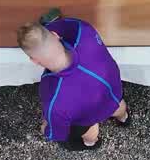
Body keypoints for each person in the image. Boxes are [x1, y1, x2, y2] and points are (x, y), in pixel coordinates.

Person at [17, 16, 130, 151]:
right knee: (118, 106)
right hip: (113, 90)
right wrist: (44, 28)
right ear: (55, 35)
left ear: (34, 61)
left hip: (88, 116)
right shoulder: (82, 31)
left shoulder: (52, 94)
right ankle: (124, 118)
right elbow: (63, 24)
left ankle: (92, 143)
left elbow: (58, 132)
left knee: (90, 129)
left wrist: (46, 129)